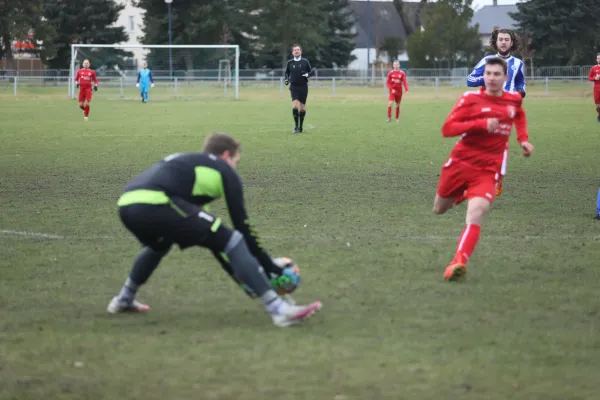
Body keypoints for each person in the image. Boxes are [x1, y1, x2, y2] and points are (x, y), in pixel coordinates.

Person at [107, 133, 322, 327]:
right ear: (227, 156)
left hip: (126, 205)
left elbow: (216, 243)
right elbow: (242, 228)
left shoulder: (190, 168)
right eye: (236, 160)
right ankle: (278, 309)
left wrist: (241, 277)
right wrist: (270, 267)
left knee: (161, 244)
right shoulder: (224, 170)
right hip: (155, 202)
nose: (235, 166)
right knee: (234, 238)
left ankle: (124, 299)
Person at [433, 57, 534, 281]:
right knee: (439, 209)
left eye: (497, 74)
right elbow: (447, 129)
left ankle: (458, 262)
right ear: (484, 76)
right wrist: (480, 124)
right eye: (488, 73)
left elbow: (519, 114)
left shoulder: (513, 99)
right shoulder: (470, 99)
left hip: (488, 168)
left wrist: (523, 140)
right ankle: (461, 194)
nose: (492, 78)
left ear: (505, 77)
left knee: (476, 213)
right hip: (460, 163)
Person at [467, 28, 526, 197]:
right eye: (501, 39)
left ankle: (495, 177)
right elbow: (469, 80)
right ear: (495, 41)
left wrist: (521, 92)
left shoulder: (517, 64)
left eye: (507, 39)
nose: (504, 42)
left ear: (512, 42)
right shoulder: (487, 60)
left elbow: (521, 82)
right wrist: (486, 78)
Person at [284, 44, 315, 133]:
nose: (296, 51)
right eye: (295, 50)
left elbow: (311, 72)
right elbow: (286, 73)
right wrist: (286, 80)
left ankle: (300, 127)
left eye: (298, 50)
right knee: (294, 106)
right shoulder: (290, 63)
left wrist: (307, 75)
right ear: (292, 52)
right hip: (294, 86)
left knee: (302, 108)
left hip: (303, 86)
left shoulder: (305, 62)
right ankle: (296, 127)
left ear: (300, 51)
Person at [587, 53, 600, 123]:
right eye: (598, 58)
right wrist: (595, 78)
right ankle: (599, 115)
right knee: (598, 106)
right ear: (596, 59)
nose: (599, 59)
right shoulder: (594, 68)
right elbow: (589, 78)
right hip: (597, 89)